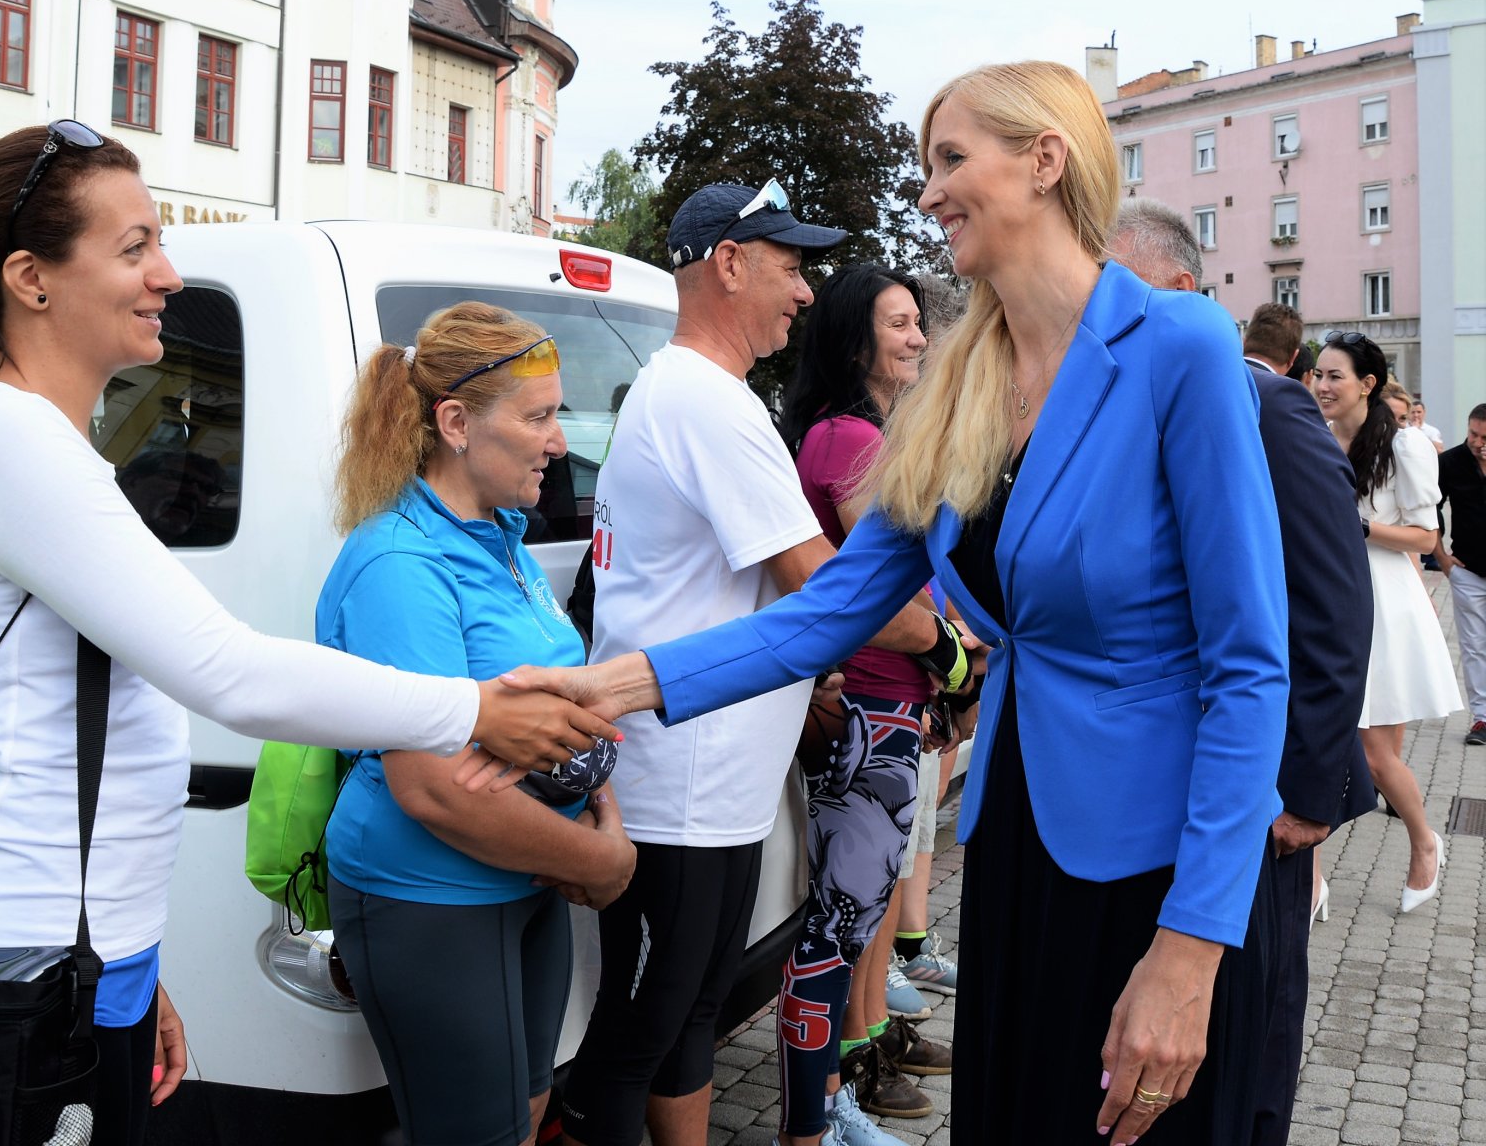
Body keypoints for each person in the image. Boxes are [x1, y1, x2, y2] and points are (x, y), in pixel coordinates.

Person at [525, 61, 1289, 1146]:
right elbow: (823, 612)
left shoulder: (1180, 349)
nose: (927, 192)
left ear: (1044, 159)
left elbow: (1251, 663)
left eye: (950, 159)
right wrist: (614, 683)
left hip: (1161, 865)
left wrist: (1192, 946)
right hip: (1021, 838)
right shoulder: (958, 383)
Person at [0, 122, 619, 1145]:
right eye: (134, 249)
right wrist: (475, 708)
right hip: (0, 951)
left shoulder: (43, 442)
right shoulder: (5, 438)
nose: (166, 273)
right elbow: (224, 669)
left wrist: (134, 960)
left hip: (75, 948)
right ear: (32, 278)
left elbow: (85, 733)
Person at [556, 182, 964, 1146]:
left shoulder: (702, 392)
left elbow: (779, 591)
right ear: (728, 263)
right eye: (789, 266)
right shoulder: (706, 401)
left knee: (689, 1016)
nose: (807, 292)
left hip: (711, 778)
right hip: (681, 783)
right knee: (641, 1030)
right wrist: (949, 646)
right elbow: (828, 590)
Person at [318, 302, 637, 1146]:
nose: (560, 441)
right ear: (455, 423)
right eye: (538, 417)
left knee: (527, 1113)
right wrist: (602, 862)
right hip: (434, 895)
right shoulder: (399, 563)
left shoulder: (501, 536)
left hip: (525, 883)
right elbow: (432, 789)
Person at [1108, 205, 1375, 1146]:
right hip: (1182, 791)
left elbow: (1335, 606)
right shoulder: (1119, 400)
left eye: (1119, 284)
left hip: (1267, 796)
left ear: (1180, 294)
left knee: (1250, 1042)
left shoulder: (1262, 402)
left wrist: (1310, 788)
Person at [775, 264, 953, 1146]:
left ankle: (832, 1095)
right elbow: (875, 585)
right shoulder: (846, 438)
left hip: (890, 705)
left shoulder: (867, 433)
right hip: (868, 707)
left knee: (857, 914)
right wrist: (953, 648)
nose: (919, 337)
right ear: (854, 343)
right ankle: (819, 1112)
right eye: (900, 324)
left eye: (920, 321)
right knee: (837, 926)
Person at [1313, 332, 1460, 914]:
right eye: (1318, 375)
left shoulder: (1404, 446)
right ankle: (1313, 878)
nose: (1322, 386)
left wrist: (1360, 530)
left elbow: (1427, 537)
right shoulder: (1313, 438)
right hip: (1324, 599)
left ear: (1367, 384)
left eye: (1335, 377)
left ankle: (1425, 842)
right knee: (1316, 741)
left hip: (1383, 603)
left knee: (1375, 755)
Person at [1435, 404, 1486, 746]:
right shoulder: (1450, 462)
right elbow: (1428, 508)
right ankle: (1482, 718)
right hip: (1467, 570)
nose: (1478, 442)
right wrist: (1442, 559)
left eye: (1485, 437)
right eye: (1473, 434)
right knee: (1473, 646)